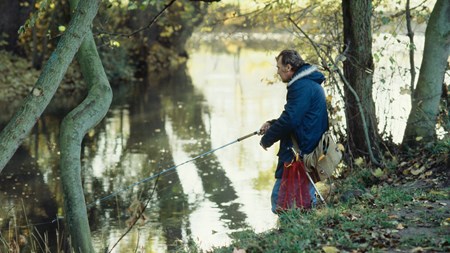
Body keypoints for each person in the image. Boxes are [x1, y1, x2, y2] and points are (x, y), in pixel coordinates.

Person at [259, 49, 328, 214]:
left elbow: (291, 119)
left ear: (288, 67)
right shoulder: (306, 83)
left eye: (278, 67)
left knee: (280, 198)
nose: (277, 71)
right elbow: (296, 116)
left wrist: (267, 139)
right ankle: (300, 225)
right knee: (297, 196)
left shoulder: (301, 86)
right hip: (305, 145)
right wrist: (272, 123)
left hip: (300, 150)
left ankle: (294, 231)